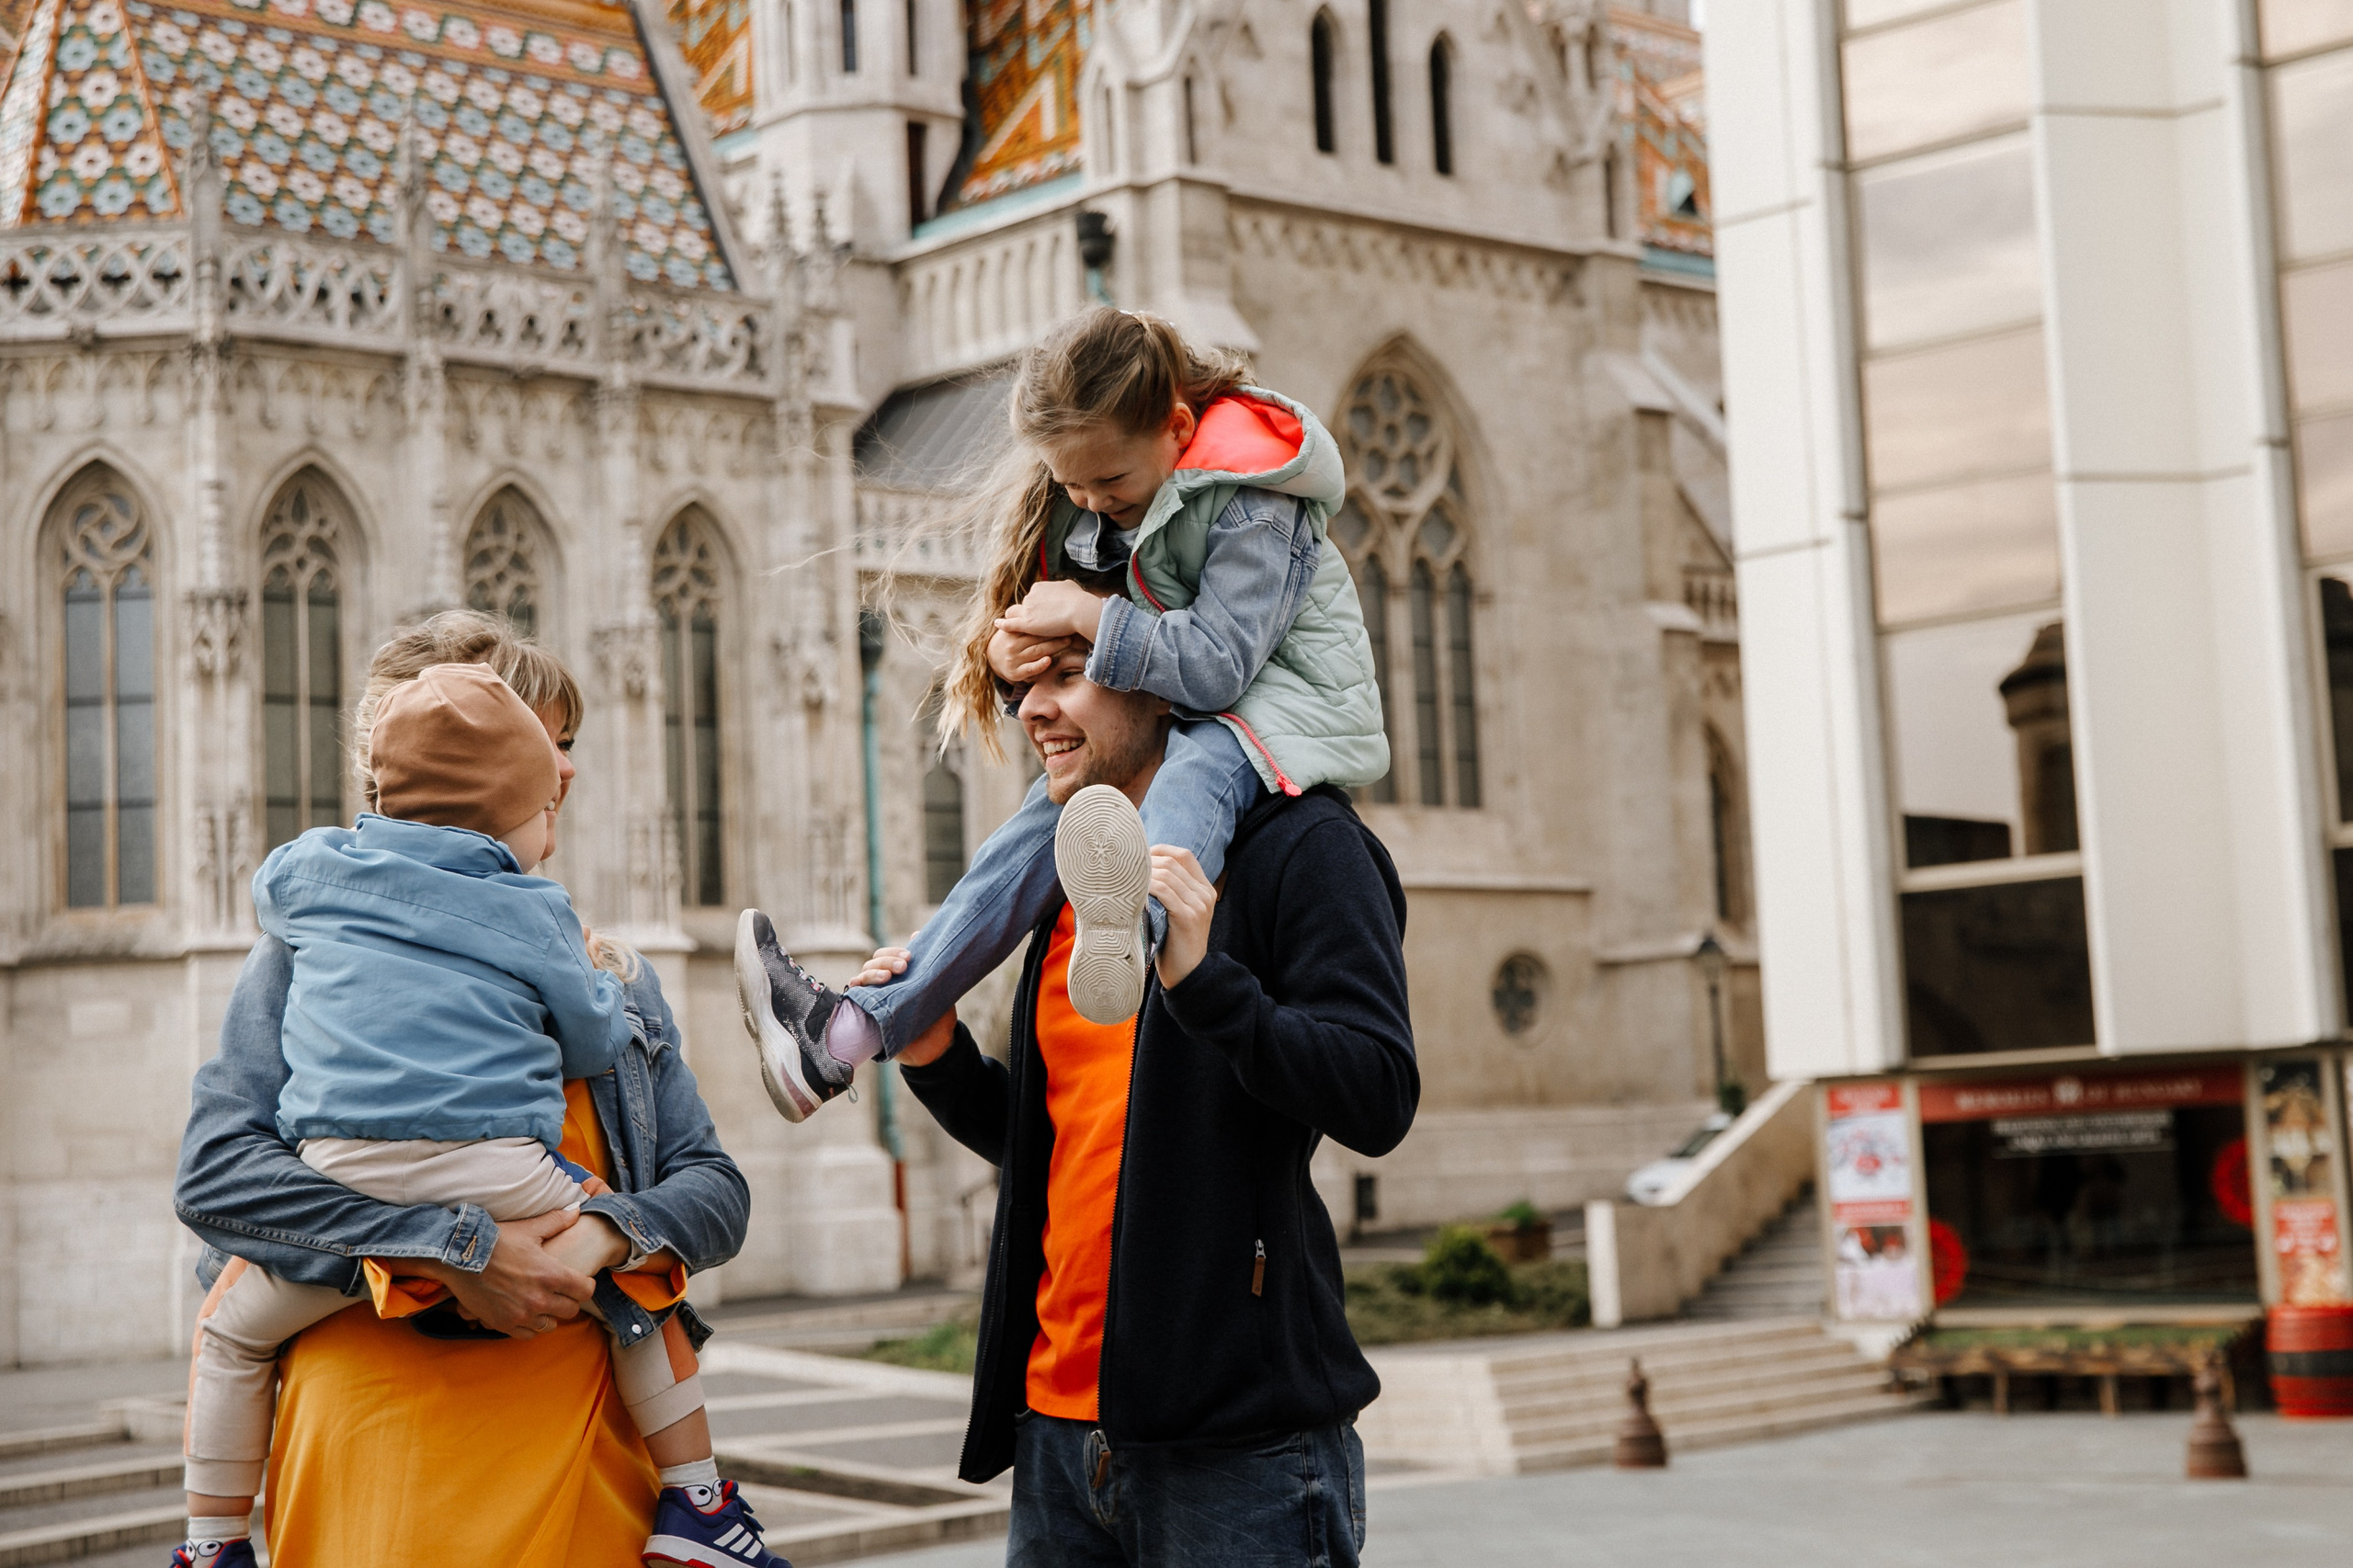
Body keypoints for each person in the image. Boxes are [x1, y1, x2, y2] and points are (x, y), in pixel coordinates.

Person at [172, 611, 765, 1568]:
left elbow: (715, 1193)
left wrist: (596, 1236)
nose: (563, 770)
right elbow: (218, 1180)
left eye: (565, 745)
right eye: (536, 741)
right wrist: (458, 1251)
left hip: (583, 1472)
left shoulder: (615, 974)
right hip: (375, 1463)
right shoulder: (305, 955)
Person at [733, 306, 1388, 1121]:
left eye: (1107, 484)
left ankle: (1142, 925)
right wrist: (1009, 657)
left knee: (1203, 762)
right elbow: (1048, 1148)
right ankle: (843, 1039)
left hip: (1277, 704)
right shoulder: (1114, 491)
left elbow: (1217, 672)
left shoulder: (1255, 498)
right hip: (1192, 693)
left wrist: (1084, 617)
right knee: (1033, 827)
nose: (1087, 501)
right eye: (1069, 484)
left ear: (1177, 427)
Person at [858, 638, 1417, 1564]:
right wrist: (938, 1053)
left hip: (1239, 1447)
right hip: (1055, 1434)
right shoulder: (1060, 880)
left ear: (1163, 683)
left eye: (1066, 675)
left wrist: (1204, 981)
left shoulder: (1302, 842)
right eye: (1020, 684)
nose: (1032, 708)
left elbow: (1377, 1092)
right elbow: (1071, 1141)